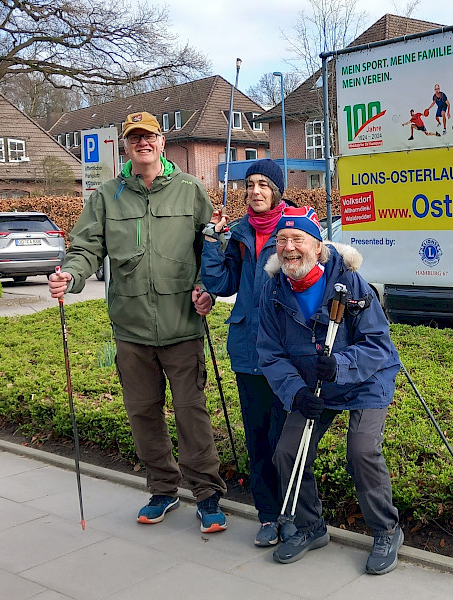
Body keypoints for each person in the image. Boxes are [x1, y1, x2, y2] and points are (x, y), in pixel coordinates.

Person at [48, 111, 228, 534]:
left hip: (182, 326)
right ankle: (163, 489)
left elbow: (211, 250)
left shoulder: (191, 190)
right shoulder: (107, 196)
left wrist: (206, 288)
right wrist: (69, 276)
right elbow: (85, 247)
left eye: (149, 136)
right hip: (130, 330)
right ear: (126, 147)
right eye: (134, 138)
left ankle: (206, 494)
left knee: (191, 412)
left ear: (162, 142)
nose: (142, 143)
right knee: (143, 412)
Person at [256, 206, 403, 575]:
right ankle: (310, 527)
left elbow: (378, 344)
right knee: (287, 452)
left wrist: (343, 363)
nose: (289, 248)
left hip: (366, 378)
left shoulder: (350, 282)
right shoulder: (273, 290)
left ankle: (387, 530)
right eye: (282, 240)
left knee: (362, 451)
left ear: (318, 247)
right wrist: (295, 392)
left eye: (298, 240)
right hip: (313, 384)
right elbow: (270, 353)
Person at [201, 159, 290, 547]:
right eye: (249, 184)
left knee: (285, 440)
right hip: (247, 349)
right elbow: (220, 283)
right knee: (257, 437)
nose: (255, 191)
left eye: (263, 185)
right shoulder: (238, 233)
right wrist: (211, 242)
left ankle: (298, 514)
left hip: (286, 352)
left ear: (277, 191)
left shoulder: (295, 231)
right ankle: (268, 516)